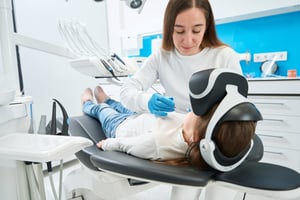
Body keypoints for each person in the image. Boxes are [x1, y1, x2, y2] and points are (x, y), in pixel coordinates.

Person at [81, 86, 256, 169]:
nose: (192, 110)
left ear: (195, 137)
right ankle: (108, 99)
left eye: (196, 112)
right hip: (142, 116)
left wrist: (107, 144)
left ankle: (88, 103)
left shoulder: (158, 143)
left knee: (102, 110)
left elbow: (126, 144)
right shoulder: (196, 133)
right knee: (119, 104)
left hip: (121, 126)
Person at [120, 0, 243, 116]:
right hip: (174, 129)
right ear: (169, 29)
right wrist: (146, 101)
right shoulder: (161, 57)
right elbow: (126, 91)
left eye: (196, 30)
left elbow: (238, 105)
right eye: (179, 31)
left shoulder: (225, 56)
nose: (188, 41)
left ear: (206, 28)